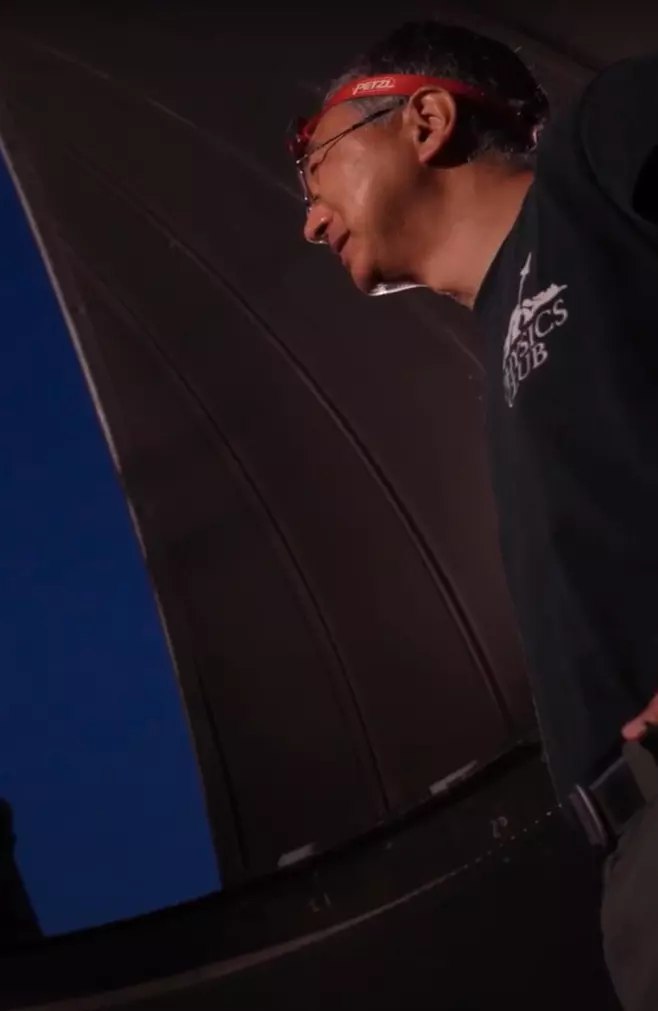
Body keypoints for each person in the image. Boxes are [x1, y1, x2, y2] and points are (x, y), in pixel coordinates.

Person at [292, 20, 658, 1006]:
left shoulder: (603, 148)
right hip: (631, 862)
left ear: (425, 119)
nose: (309, 219)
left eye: (313, 161)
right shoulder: (500, 360)